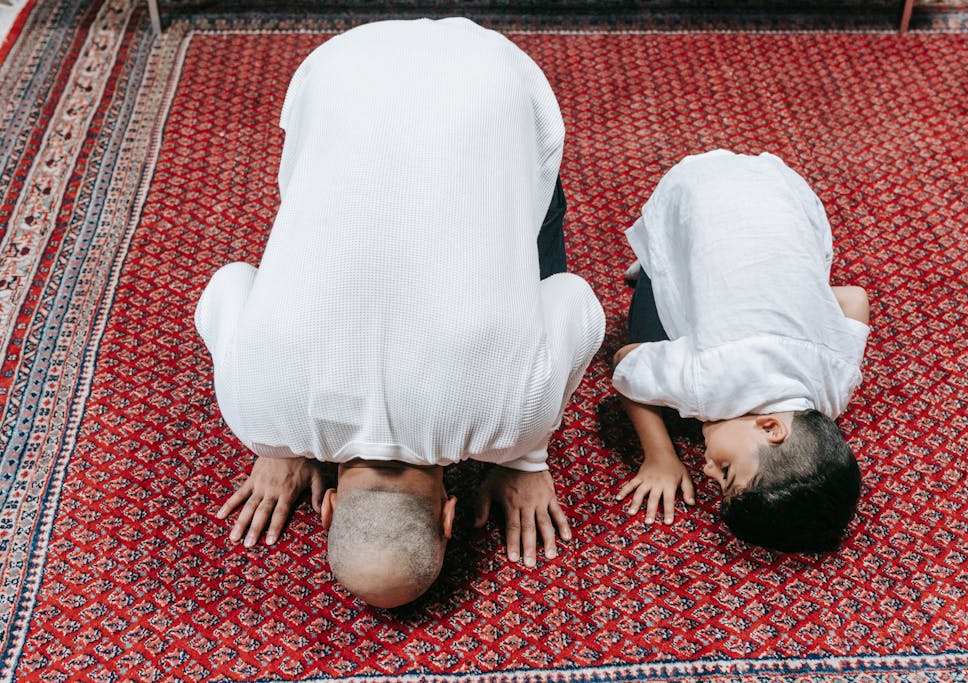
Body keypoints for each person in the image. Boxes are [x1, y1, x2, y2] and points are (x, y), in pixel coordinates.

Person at [194, 18, 605, 607]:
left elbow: (576, 299)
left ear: (447, 516)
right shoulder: (254, 408)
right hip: (338, 70)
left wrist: (525, 456)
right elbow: (229, 282)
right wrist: (275, 441)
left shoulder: (512, 420)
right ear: (331, 506)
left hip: (492, 76)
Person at [611, 149, 870, 554]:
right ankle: (653, 268)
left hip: (785, 186)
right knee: (650, 341)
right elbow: (625, 363)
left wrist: (805, 302)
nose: (706, 469)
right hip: (686, 193)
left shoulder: (834, 387)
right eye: (727, 473)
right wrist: (660, 455)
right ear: (770, 428)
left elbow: (855, 298)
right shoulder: (707, 385)